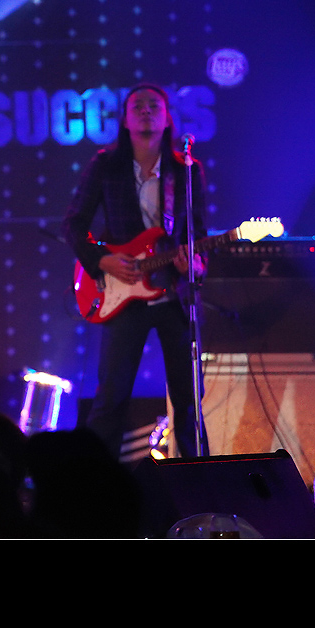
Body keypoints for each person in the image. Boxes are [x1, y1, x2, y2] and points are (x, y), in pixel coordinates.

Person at [62, 83, 208, 460]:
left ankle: (199, 482)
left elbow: (197, 233)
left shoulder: (185, 170)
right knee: (110, 399)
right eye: (137, 106)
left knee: (188, 400)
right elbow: (74, 225)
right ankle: (98, 482)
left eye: (154, 106)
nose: (146, 111)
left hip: (174, 294)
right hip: (124, 294)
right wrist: (102, 260)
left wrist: (195, 264)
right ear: (125, 120)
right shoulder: (105, 166)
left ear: (167, 118)